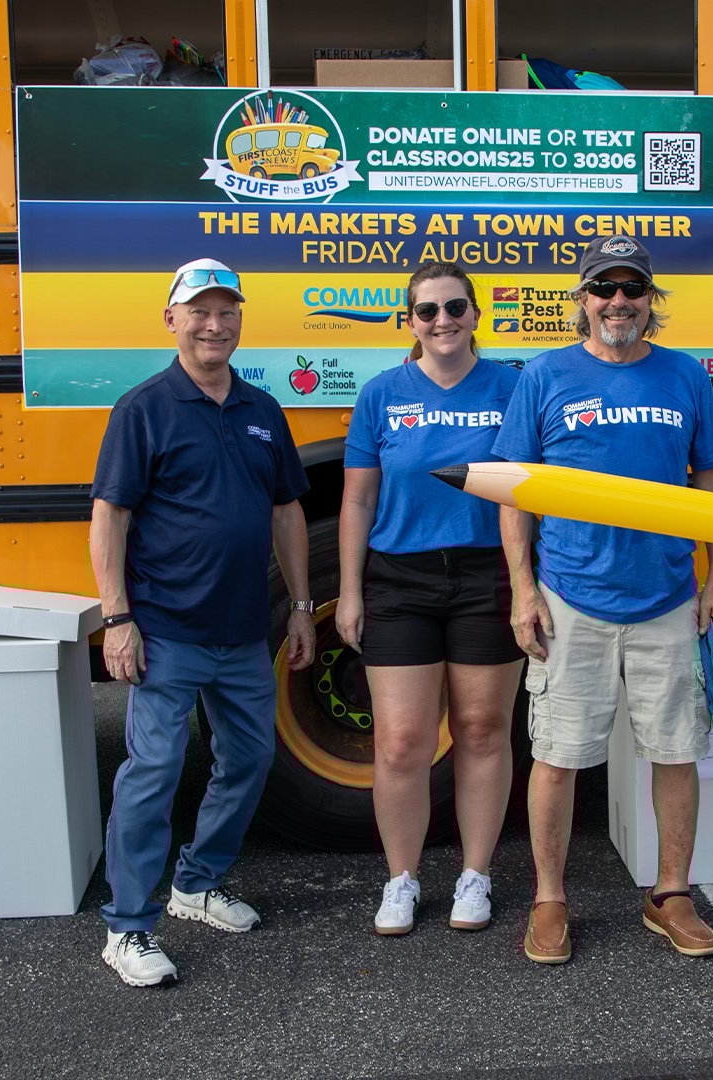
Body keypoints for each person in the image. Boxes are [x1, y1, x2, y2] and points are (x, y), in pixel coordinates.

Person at [493, 236, 713, 964]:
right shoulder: (543, 375)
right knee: (558, 758)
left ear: (651, 301)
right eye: (604, 289)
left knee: (676, 751)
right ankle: (549, 900)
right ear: (582, 301)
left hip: (666, 596)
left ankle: (671, 897)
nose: (618, 302)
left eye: (633, 289)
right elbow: (514, 492)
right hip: (571, 599)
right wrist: (522, 588)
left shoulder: (685, 376)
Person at [90, 257, 315, 987]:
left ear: (240, 321)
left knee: (249, 761)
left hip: (245, 632)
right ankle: (127, 928)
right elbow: (110, 517)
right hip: (165, 632)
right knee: (151, 773)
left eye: (226, 311)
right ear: (172, 320)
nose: (214, 325)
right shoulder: (143, 409)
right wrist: (118, 617)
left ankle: (197, 882)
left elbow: (286, 509)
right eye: (199, 311)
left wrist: (305, 607)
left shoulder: (261, 412)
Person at [336, 262, 525, 936]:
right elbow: (357, 498)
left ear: (477, 314)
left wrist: (529, 584)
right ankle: (402, 880)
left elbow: (532, 489)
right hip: (399, 580)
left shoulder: (512, 385)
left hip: (487, 577)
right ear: (408, 322)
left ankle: (476, 876)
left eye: (454, 307)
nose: (441, 320)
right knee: (402, 743)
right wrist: (350, 592)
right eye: (427, 311)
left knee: (480, 729)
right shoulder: (382, 393)